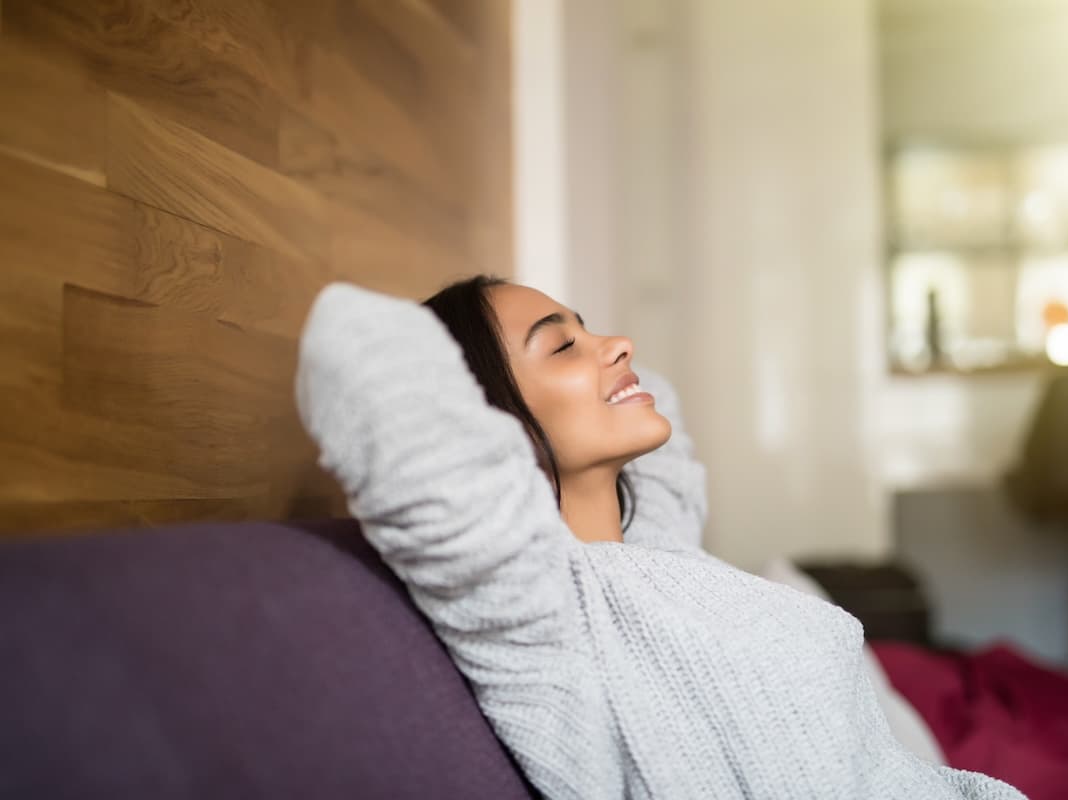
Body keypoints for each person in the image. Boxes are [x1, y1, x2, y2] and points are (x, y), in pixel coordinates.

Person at [294, 276, 1027, 799]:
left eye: (588, 329)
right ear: (497, 428)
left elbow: (663, 409)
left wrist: (576, 366)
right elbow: (357, 348)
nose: (618, 343)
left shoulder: (660, 546)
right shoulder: (539, 615)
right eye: (562, 348)